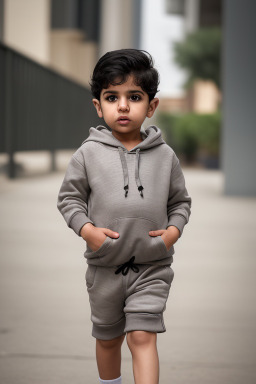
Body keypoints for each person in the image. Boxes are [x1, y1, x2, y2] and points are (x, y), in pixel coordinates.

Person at [57, 48, 192, 384]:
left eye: (134, 96)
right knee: (108, 338)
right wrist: (88, 231)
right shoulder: (87, 153)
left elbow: (180, 202)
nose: (122, 106)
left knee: (142, 336)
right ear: (98, 105)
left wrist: (172, 233)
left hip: (151, 266)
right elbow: (69, 199)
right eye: (111, 96)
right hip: (104, 268)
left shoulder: (165, 156)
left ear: (151, 106)